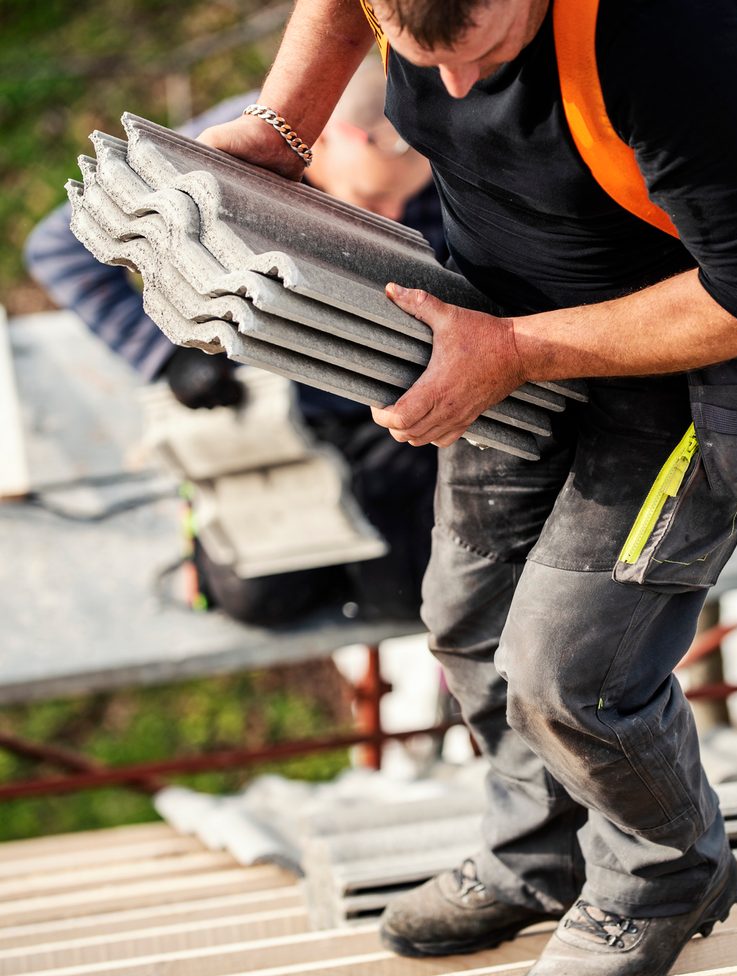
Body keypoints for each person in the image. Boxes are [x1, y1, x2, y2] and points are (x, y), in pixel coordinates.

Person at [196, 0, 737, 976]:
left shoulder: (670, 34)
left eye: (484, 53)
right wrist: (284, 124)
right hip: (509, 307)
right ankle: (540, 851)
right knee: (466, 612)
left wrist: (515, 351)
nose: (455, 89)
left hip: (701, 331)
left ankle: (662, 876)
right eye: (422, 59)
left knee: (570, 668)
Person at [24, 56, 444, 625]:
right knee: (260, 603)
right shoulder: (235, 147)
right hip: (265, 413)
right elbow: (58, 249)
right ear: (330, 138)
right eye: (373, 199)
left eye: (404, 200)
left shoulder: (445, 159)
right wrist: (165, 356)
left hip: (387, 417)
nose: (394, 215)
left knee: (402, 596)